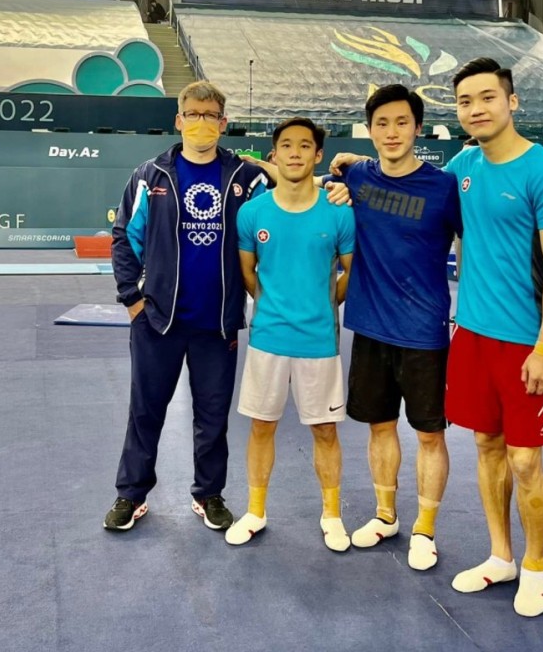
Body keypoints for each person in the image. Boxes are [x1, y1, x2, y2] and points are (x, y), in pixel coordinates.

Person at [443, 58, 543, 617]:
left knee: (525, 462)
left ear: (511, 101)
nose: (475, 109)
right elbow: (414, 195)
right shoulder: (461, 165)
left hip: (525, 342)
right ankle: (500, 555)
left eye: (487, 97)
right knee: (487, 446)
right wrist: (357, 172)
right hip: (472, 334)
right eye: (465, 101)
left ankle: (536, 567)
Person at [104, 81, 267, 532]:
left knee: (213, 417)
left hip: (217, 324)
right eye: (192, 114)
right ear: (178, 120)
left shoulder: (246, 179)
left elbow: (275, 223)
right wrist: (132, 300)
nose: (200, 122)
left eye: (209, 115)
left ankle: (209, 494)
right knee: (145, 411)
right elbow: (125, 238)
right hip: (158, 320)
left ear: (223, 123)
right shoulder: (150, 176)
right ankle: (130, 494)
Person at [322, 85, 462, 571]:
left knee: (429, 435)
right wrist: (339, 175)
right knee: (379, 426)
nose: (392, 132)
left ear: (418, 128)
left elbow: (472, 242)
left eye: (402, 122)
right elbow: (311, 185)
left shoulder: (444, 187)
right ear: (369, 130)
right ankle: (385, 516)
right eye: (381, 123)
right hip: (369, 327)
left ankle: (425, 528)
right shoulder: (355, 175)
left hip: (424, 332)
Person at [225, 118, 356, 552]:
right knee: (261, 427)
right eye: (286, 145)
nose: (295, 152)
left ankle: (332, 515)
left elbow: (351, 273)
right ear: (274, 155)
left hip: (319, 342)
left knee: (325, 431)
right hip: (268, 339)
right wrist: (273, 306)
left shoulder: (338, 211)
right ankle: (255, 511)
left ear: (318, 155)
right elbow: (248, 273)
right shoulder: (253, 212)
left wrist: (322, 303)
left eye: (304, 146)